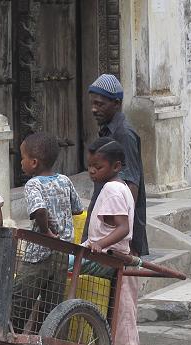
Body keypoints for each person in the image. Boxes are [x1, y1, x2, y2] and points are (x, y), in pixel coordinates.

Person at [11, 132, 84, 332]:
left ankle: (13, 332)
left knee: (21, 297)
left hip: (38, 254)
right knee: (52, 302)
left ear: (33, 162)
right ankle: (47, 340)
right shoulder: (64, 180)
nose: (21, 162)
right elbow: (77, 208)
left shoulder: (33, 184)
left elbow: (39, 209)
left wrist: (46, 232)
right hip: (62, 251)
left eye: (22, 157)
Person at [82, 137, 143, 345]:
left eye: (98, 167)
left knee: (59, 263)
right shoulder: (118, 187)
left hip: (107, 256)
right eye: (89, 166)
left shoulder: (112, 189)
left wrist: (100, 244)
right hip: (104, 253)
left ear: (116, 167)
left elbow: (123, 227)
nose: (92, 171)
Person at [84, 73, 148, 257]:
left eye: (100, 104)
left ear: (117, 103)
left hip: (117, 241)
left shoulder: (124, 134)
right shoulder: (107, 130)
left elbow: (131, 185)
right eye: (93, 104)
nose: (94, 110)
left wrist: (115, 236)